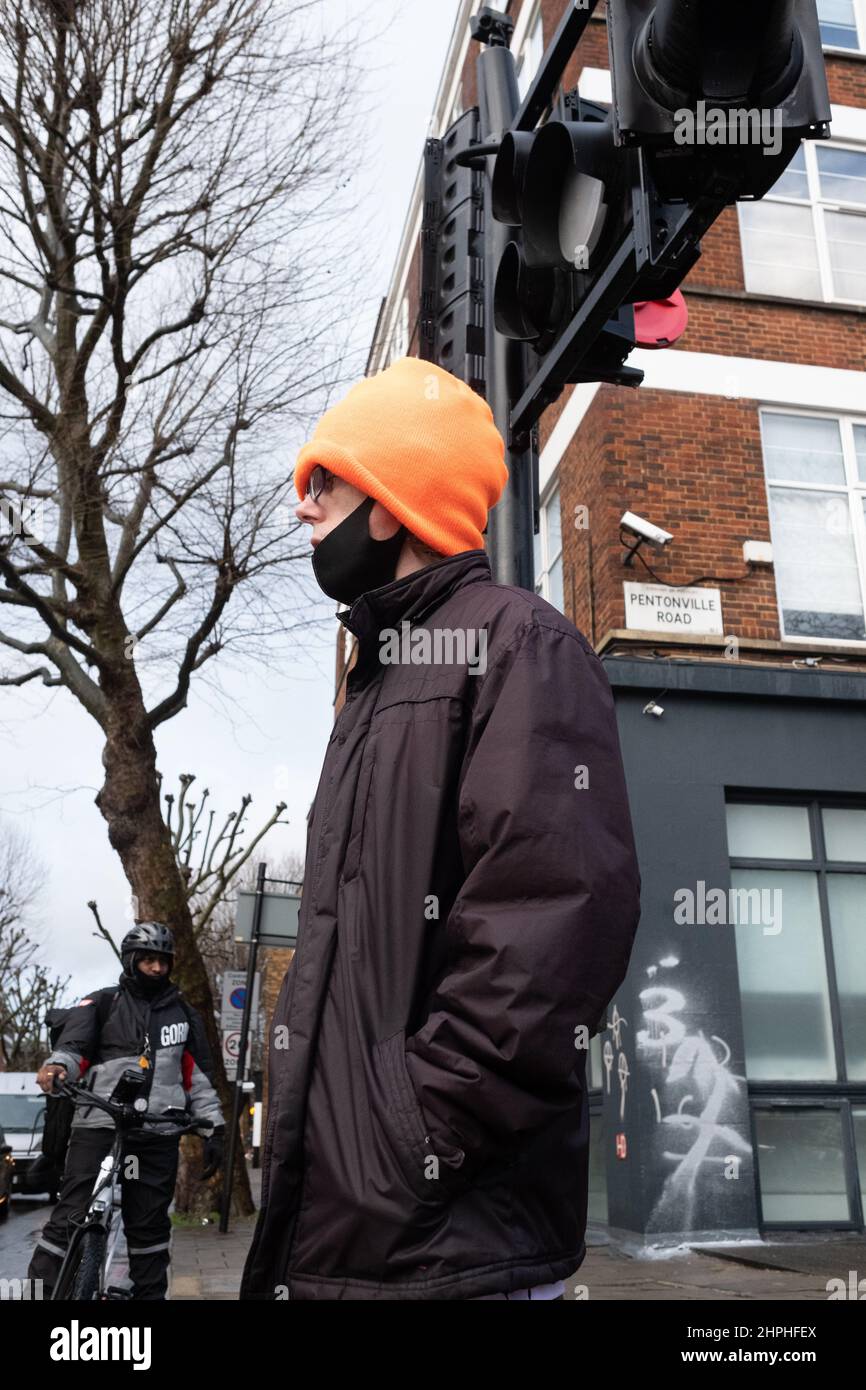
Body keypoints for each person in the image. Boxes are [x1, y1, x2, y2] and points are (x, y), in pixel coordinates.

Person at [240, 356, 641, 1301]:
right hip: (363, 1240)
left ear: (391, 499)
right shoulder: (374, 679)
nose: (302, 507)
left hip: (449, 1250)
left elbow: (554, 928)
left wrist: (413, 1132)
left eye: (322, 480)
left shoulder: (519, 643)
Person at [28, 922, 225, 1300]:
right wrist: (56, 1068)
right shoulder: (102, 1003)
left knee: (149, 1226)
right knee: (70, 1214)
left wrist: (213, 1129)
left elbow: (198, 1081)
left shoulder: (184, 1016)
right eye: (147, 960)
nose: (155, 968)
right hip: (99, 1126)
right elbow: (72, 1049)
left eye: (162, 961)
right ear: (131, 961)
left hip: (155, 1134)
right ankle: (38, 1292)